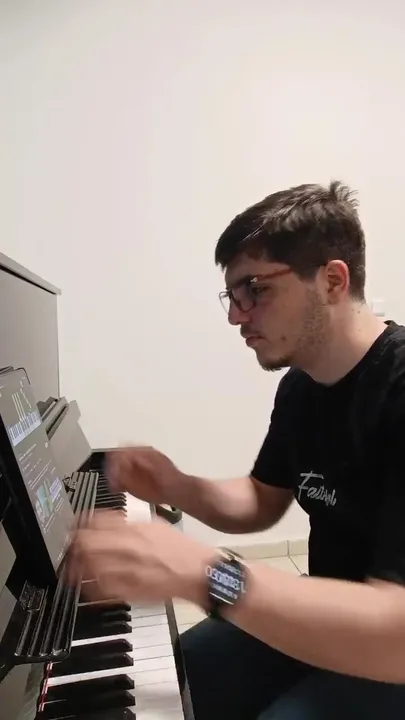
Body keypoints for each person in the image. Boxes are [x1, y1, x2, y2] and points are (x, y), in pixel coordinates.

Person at [69, 181, 405, 719]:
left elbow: (394, 635)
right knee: (174, 683)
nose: (235, 316)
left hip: (389, 651)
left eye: (255, 289)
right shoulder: (300, 386)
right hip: (328, 614)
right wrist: (180, 487)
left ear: (332, 280)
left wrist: (205, 573)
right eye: (232, 295)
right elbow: (260, 500)